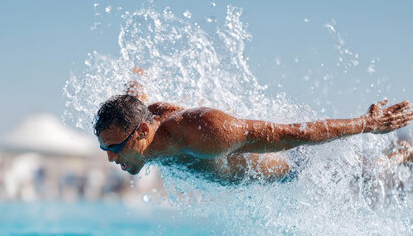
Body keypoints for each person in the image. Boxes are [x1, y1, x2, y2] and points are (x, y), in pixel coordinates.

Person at [93, 73, 413, 183]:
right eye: (105, 148)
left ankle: (399, 154)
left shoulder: (206, 131)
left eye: (115, 148)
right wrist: (136, 81)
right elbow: (137, 103)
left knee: (363, 170)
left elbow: (292, 134)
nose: (110, 158)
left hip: (290, 167)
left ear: (144, 132)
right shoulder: (141, 123)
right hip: (277, 168)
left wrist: (367, 124)